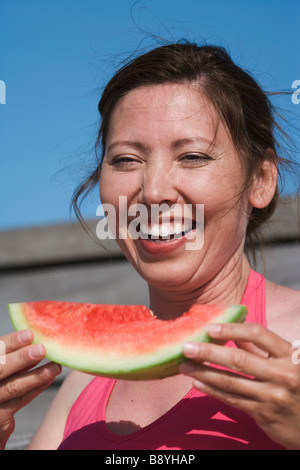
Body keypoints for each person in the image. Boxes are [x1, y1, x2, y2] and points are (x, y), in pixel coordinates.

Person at [1, 41, 300, 450]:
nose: (154, 191)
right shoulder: (86, 377)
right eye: (125, 160)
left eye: (192, 156)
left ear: (261, 181)